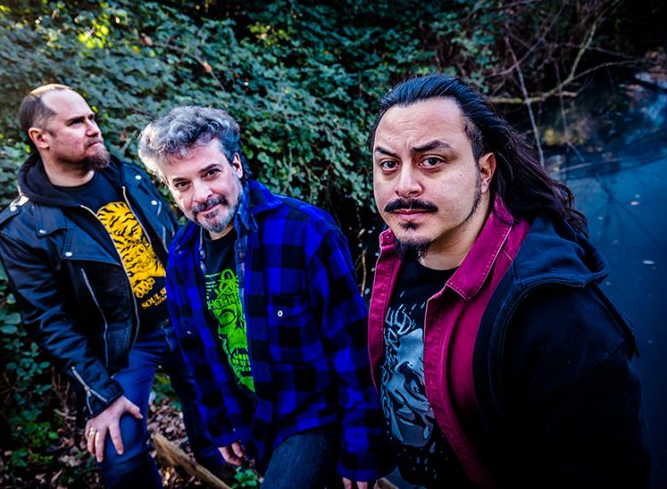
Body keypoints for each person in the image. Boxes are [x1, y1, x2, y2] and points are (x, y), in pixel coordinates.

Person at [366, 74, 651, 487]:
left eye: (432, 161)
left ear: (485, 171)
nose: (404, 185)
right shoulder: (399, 251)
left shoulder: (560, 320)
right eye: (389, 164)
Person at [137, 106, 391, 488]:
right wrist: (221, 424)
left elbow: (352, 347)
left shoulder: (305, 231)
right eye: (182, 184)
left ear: (236, 165)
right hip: (255, 419)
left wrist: (361, 446)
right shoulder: (182, 255)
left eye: (210, 173)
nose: (201, 195)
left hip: (314, 415)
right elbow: (197, 355)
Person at [0, 84, 224, 487]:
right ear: (40, 138)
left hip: (182, 318)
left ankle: (224, 477)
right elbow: (48, 321)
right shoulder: (24, 227)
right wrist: (100, 393)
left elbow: (176, 242)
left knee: (216, 418)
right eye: (76, 122)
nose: (93, 128)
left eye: (92, 117)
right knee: (122, 458)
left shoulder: (127, 175)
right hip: (121, 345)